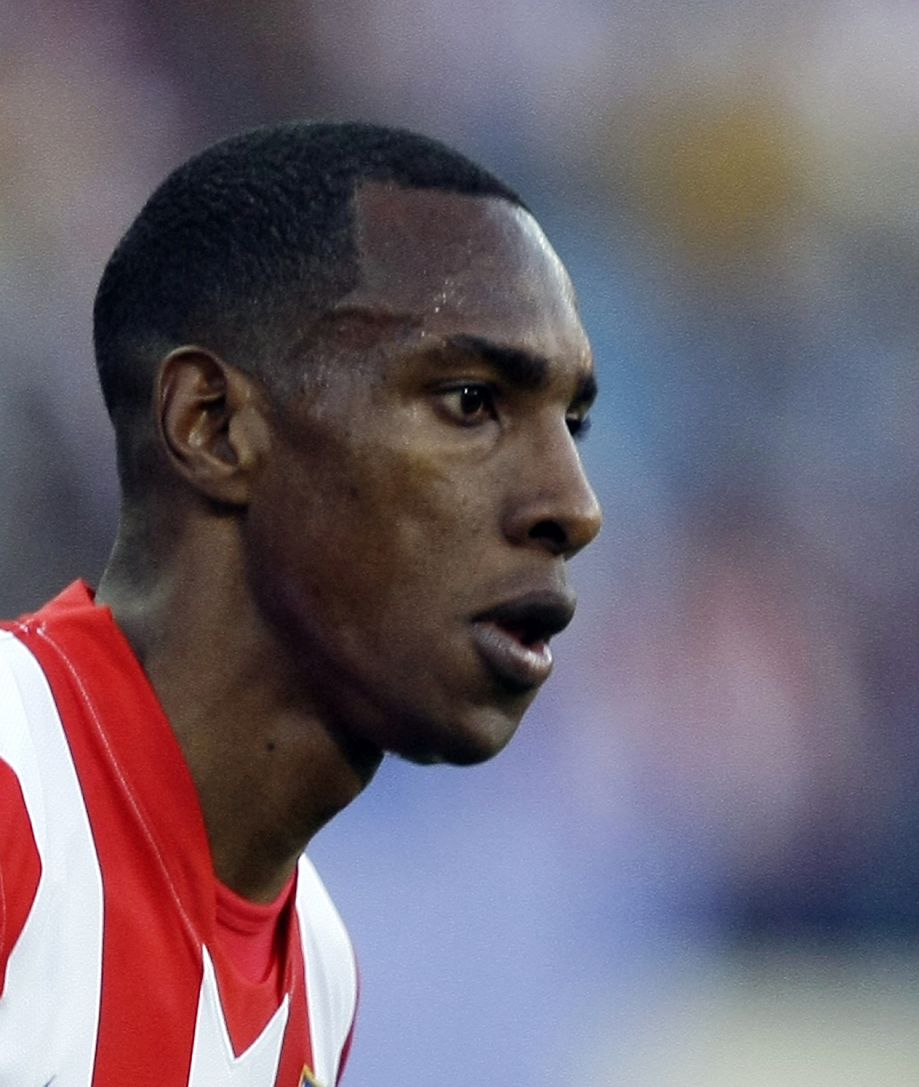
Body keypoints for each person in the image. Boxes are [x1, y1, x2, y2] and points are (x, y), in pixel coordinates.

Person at [0, 121, 603, 1085]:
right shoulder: (12, 783)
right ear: (214, 425)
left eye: (572, 423)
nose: (574, 506)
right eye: (469, 399)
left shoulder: (317, 972)